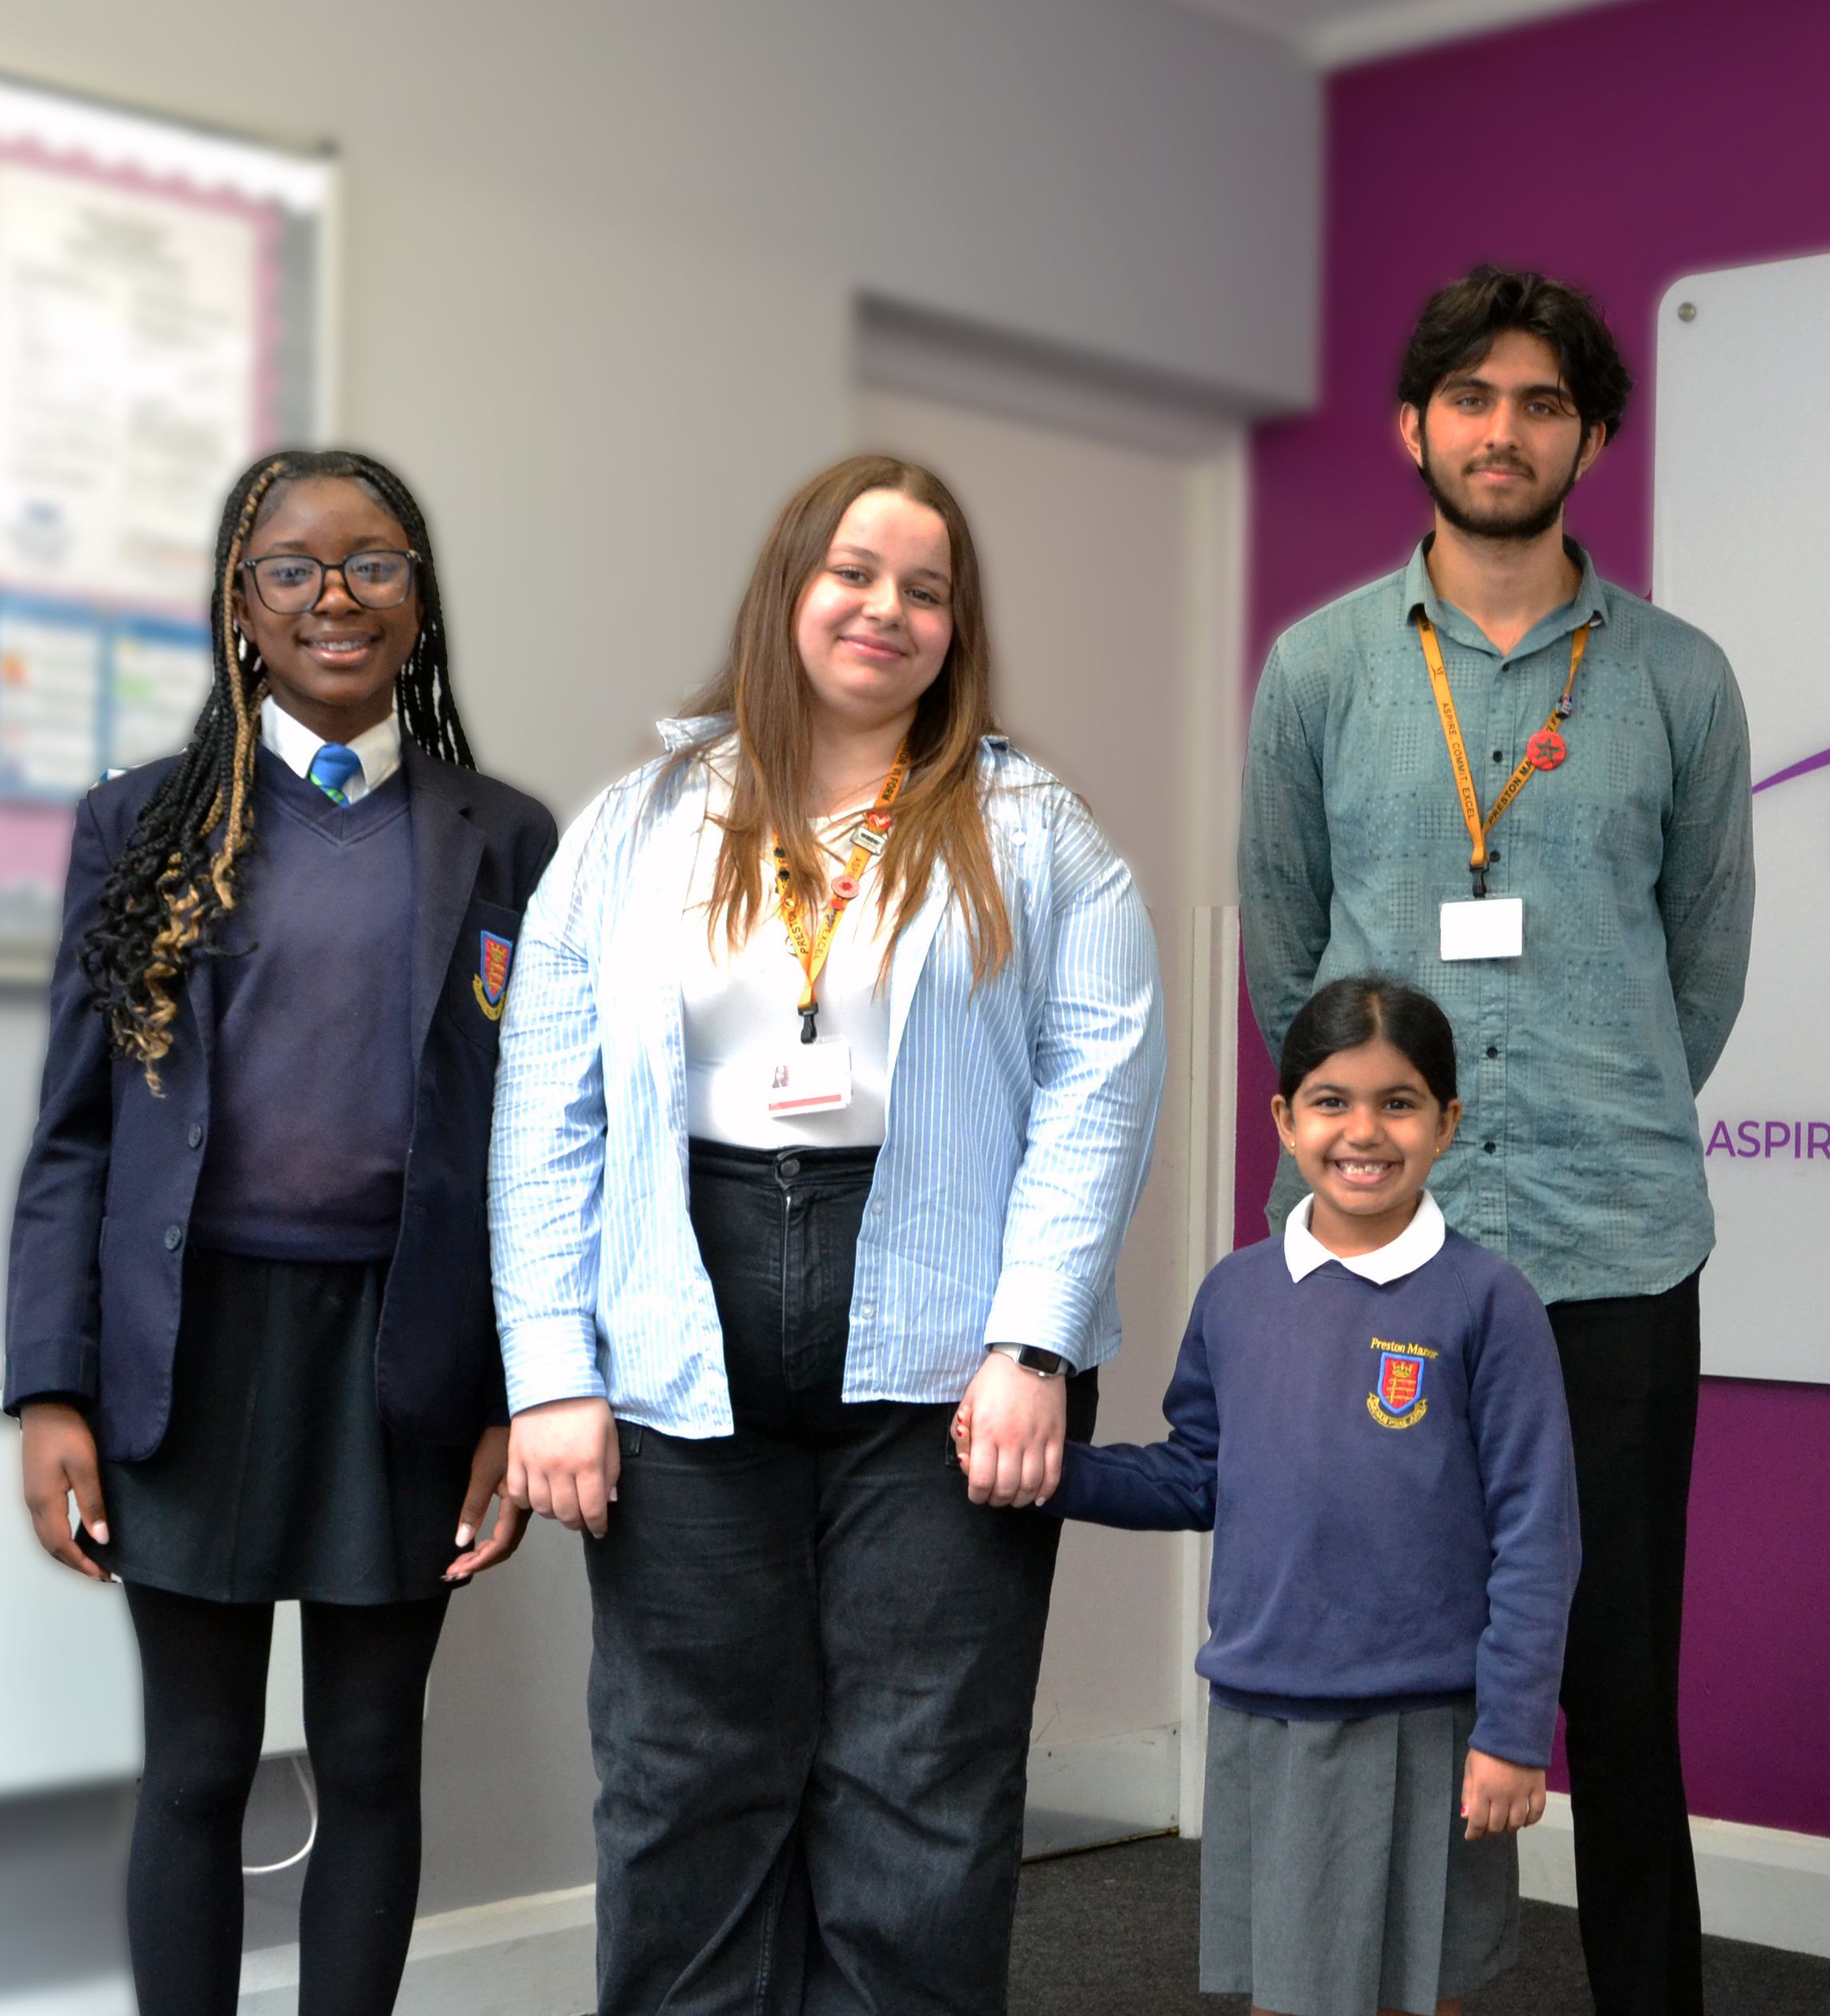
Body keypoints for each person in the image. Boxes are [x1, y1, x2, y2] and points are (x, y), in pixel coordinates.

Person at [486, 454, 1164, 2011]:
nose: (887, 609)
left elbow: (1101, 1090)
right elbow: (546, 1110)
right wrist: (550, 1370)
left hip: (955, 1343)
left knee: (925, 1778)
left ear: (957, 627)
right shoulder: (639, 822)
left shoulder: (1034, 829)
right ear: (789, 587)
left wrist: (1036, 1344)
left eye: (927, 589)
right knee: (681, 1771)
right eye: (855, 572)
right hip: (678, 1320)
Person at [1239, 264, 1753, 2015]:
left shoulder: (1678, 678)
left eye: (1542, 403)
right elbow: (1288, 962)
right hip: (1378, 1253)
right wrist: (1370, 1149)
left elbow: (1702, 966)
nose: (1503, 430)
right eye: (1471, 397)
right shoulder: (1318, 670)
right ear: (1414, 426)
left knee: (1619, 1686)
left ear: (1590, 438)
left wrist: (1609, 1087)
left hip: (1615, 1239)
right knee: (1377, 1666)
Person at [6, 449, 554, 2016]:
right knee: (196, 1761)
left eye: (374, 562)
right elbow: (74, 1133)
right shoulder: (140, 823)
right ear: (240, 606)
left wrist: (518, 1391)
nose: (336, 596)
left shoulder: (505, 835)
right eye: (294, 568)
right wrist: (49, 1390)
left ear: (417, 597)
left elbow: (539, 1143)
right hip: (189, 1356)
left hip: (409, 1352)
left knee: (372, 1755)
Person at [1036, 974, 1579, 2016]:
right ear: (1286, 1120)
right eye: (1332, 1101)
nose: (1363, 1132)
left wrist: (1514, 1732)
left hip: (1427, 1723)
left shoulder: (1491, 1303)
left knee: (1420, 1993)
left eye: (1398, 1102)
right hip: (1268, 1712)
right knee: (1285, 1995)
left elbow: (1538, 1534)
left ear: (1447, 1122)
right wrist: (1054, 1473)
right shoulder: (1236, 1294)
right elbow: (1196, 1473)